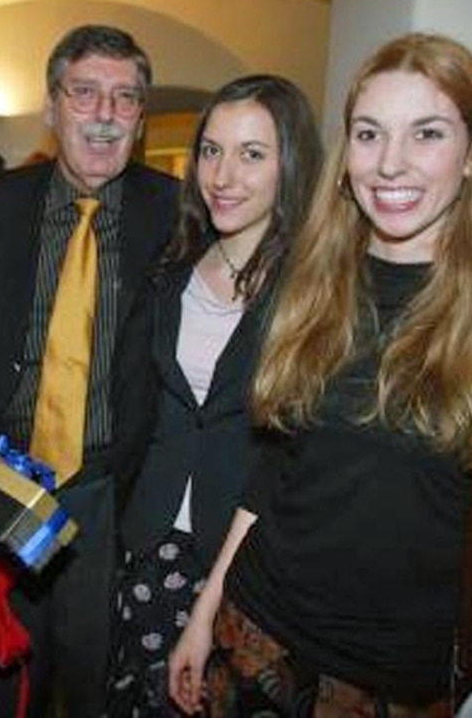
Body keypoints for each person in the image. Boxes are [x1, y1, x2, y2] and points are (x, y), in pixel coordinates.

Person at [169, 33, 472, 717]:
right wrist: (202, 611)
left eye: (427, 133)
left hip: (391, 683)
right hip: (250, 638)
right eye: (369, 134)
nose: (390, 164)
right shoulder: (304, 288)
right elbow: (271, 474)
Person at [0, 24, 179, 718]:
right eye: (85, 93)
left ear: (140, 118)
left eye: (125, 98)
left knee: (90, 685)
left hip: (107, 495)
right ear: (52, 107)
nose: (105, 114)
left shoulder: (174, 212)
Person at [107, 75, 321, 716]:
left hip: (254, 563)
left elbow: (294, 452)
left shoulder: (314, 294)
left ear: (291, 165)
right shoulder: (171, 272)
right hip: (149, 545)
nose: (223, 175)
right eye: (211, 151)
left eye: (252, 154)